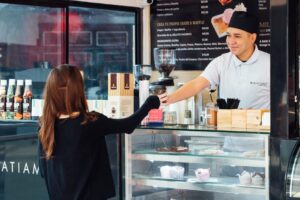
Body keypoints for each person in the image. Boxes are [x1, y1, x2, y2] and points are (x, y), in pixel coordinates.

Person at [38, 64, 160, 200]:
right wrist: (150, 103)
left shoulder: (45, 126)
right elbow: (128, 125)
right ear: (78, 89)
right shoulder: (90, 121)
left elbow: (43, 171)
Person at [159, 11, 270, 109]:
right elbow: (197, 84)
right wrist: (168, 99)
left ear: (252, 38)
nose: (231, 41)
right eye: (228, 35)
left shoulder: (270, 63)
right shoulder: (221, 62)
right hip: (228, 129)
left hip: (261, 130)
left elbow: (282, 100)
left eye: (237, 36)